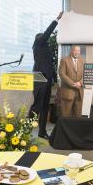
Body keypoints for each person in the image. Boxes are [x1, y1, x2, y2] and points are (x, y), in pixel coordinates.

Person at [29, 12, 64, 140]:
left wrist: (54, 79)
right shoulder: (38, 43)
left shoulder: (45, 49)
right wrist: (56, 20)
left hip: (47, 79)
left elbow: (50, 64)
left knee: (45, 107)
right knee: (37, 106)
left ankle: (42, 131)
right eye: (44, 39)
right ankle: (26, 130)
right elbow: (47, 33)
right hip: (39, 79)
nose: (46, 41)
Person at [59, 45, 84, 118]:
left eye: (78, 51)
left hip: (79, 92)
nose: (77, 52)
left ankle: (77, 129)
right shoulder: (64, 60)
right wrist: (73, 84)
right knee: (66, 115)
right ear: (71, 51)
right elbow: (62, 74)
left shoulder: (82, 60)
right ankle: (65, 129)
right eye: (75, 50)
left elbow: (85, 74)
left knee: (78, 115)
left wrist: (80, 83)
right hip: (68, 91)